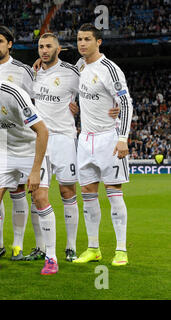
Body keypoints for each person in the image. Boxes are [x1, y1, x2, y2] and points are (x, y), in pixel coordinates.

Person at [0, 51, 58, 275]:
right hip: (5, 150)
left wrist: (36, 170)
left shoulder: (12, 93)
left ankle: (52, 257)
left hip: (29, 149)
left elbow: (42, 131)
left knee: (40, 198)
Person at [72, 23, 133, 266]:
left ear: (99, 42)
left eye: (87, 39)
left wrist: (122, 138)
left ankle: (121, 250)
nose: (82, 43)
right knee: (87, 194)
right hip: (85, 139)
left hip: (109, 137)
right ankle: (93, 248)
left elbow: (125, 103)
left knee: (114, 194)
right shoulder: (78, 66)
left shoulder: (110, 69)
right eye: (79, 39)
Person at [32, 33, 80, 261]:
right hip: (40, 140)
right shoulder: (33, 74)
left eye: (48, 46)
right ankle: (41, 248)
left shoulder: (71, 73)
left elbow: (93, 91)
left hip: (63, 139)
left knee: (67, 191)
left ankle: (70, 247)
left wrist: (79, 107)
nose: (44, 50)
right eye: (41, 46)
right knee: (37, 193)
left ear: (58, 49)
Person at [0, 26, 35, 260]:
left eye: (0, 41)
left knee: (18, 191)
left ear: (10, 44)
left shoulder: (22, 71)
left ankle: (17, 243)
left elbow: (35, 101)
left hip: (16, 139)